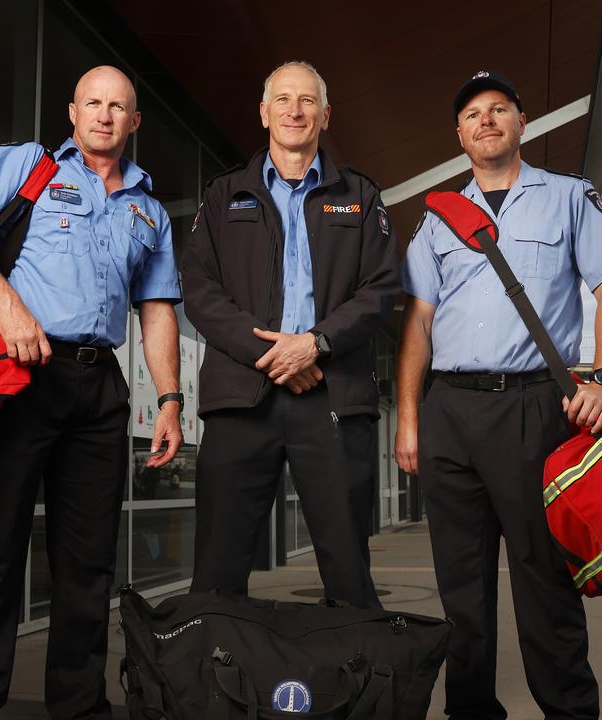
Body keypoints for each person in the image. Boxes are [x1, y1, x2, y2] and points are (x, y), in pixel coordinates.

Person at [0, 66, 183, 720]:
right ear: (73, 111)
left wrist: (172, 399)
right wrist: (8, 306)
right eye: (93, 102)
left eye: (118, 105)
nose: (104, 114)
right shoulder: (28, 166)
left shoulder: (147, 209)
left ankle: (78, 706)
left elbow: (155, 312)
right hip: (21, 377)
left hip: (100, 392)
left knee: (88, 566)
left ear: (133, 122)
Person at [396, 71, 602, 720]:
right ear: (460, 135)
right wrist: (410, 418)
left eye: (498, 109)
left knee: (544, 588)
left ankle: (569, 711)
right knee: (461, 596)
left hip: (533, 412)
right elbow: (419, 319)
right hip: (450, 413)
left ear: (521, 122)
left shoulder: (568, 198)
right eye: (473, 114)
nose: (486, 120)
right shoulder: (438, 218)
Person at [182, 61, 400, 608]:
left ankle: (352, 689)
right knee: (217, 565)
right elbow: (200, 290)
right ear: (264, 113)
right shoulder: (223, 195)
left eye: (307, 101)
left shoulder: (361, 195)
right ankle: (211, 687)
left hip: (333, 395)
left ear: (326, 115)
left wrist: (315, 345)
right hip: (241, 397)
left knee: (348, 568)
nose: (294, 111)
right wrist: (274, 353)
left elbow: (380, 290)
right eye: (282, 99)